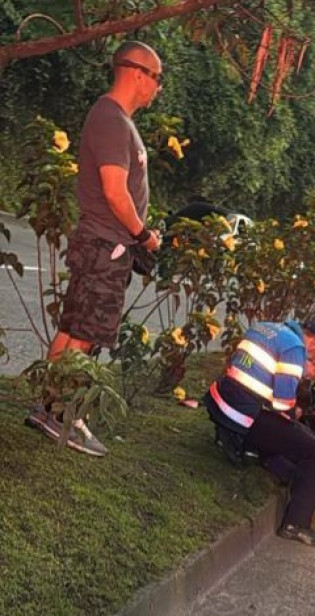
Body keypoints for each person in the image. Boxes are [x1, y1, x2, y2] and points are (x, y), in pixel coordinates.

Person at [26, 41, 164, 457]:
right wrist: (144, 236)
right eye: (156, 78)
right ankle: (61, 413)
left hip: (105, 244)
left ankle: (48, 408)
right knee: (84, 334)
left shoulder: (118, 120)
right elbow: (115, 192)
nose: (157, 88)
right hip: (107, 245)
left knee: (73, 330)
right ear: (136, 72)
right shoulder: (110, 118)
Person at [204, 319, 315, 547]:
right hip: (241, 414)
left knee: (282, 433)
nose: (313, 357)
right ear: (313, 341)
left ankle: (252, 452)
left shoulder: (267, 328)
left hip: (219, 399)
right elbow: (283, 405)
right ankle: (296, 524)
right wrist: (302, 383)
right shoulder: (294, 349)